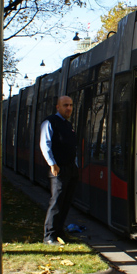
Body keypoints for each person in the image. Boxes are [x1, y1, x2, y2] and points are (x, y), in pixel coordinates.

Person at [40, 96, 79, 245]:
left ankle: (59, 232)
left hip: (70, 168)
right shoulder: (50, 122)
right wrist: (52, 164)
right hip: (58, 168)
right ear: (58, 107)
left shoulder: (68, 125)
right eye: (65, 105)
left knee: (66, 201)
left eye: (70, 105)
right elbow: (45, 144)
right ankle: (49, 236)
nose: (68, 108)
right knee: (56, 202)